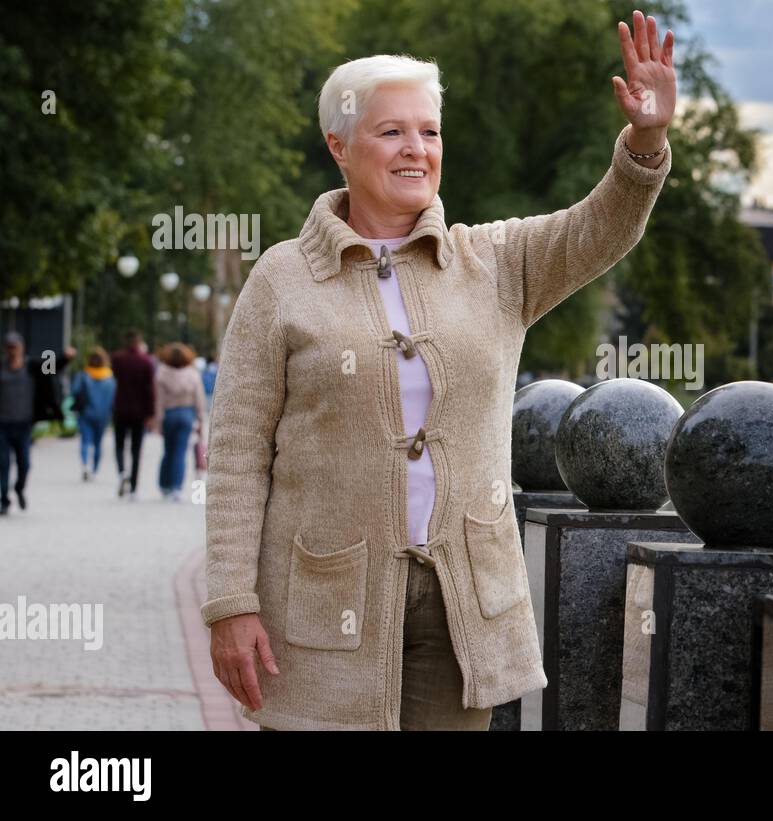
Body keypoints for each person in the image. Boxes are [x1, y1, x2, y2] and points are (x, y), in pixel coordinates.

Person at [204, 11, 674, 731]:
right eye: (391, 131)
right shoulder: (281, 280)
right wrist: (232, 603)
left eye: (429, 131)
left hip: (462, 610)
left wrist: (645, 139)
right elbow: (236, 453)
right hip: (327, 606)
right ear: (339, 143)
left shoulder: (494, 263)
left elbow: (599, 225)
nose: (415, 149)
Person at [0, 331, 76, 515]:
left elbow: (52, 367)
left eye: (15, 347)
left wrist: (65, 357)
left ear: (22, 348)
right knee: (2, 463)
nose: (12, 351)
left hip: (24, 424)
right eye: (9, 347)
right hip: (2, 425)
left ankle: (19, 488)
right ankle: (4, 499)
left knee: (24, 463)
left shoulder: (33, 366)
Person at [150, 342, 205, 502]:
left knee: (168, 450)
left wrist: (158, 421)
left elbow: (158, 401)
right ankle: (176, 487)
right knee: (180, 452)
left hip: (169, 414)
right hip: (186, 413)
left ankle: (164, 484)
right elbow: (199, 398)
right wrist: (200, 419)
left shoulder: (161, 374)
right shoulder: (193, 374)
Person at [110, 330, 155, 501]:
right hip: (139, 411)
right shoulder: (146, 362)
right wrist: (150, 413)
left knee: (120, 445)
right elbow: (150, 390)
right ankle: (134, 488)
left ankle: (122, 471)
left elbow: (114, 378)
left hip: (121, 408)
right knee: (136, 450)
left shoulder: (117, 359)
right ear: (139, 342)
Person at [70, 347, 117, 481]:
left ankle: (85, 465)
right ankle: (95, 470)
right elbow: (114, 397)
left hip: (86, 413)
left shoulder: (83, 375)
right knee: (98, 443)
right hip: (103, 415)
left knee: (85, 441)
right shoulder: (110, 377)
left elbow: (74, 391)